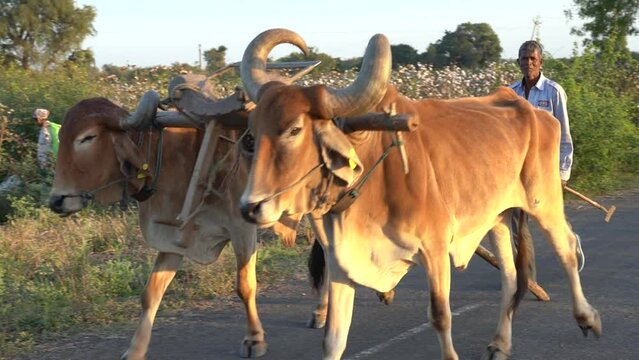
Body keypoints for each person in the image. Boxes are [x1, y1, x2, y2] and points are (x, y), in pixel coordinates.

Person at [508, 40, 583, 282]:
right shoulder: (511, 94)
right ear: (517, 62)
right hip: (518, 169)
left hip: (546, 167)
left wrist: (562, 172)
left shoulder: (553, 91)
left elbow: (565, 135)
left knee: (551, 219)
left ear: (541, 62)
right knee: (517, 220)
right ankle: (525, 275)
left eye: (532, 58)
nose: (528, 63)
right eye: (523, 58)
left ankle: (571, 243)